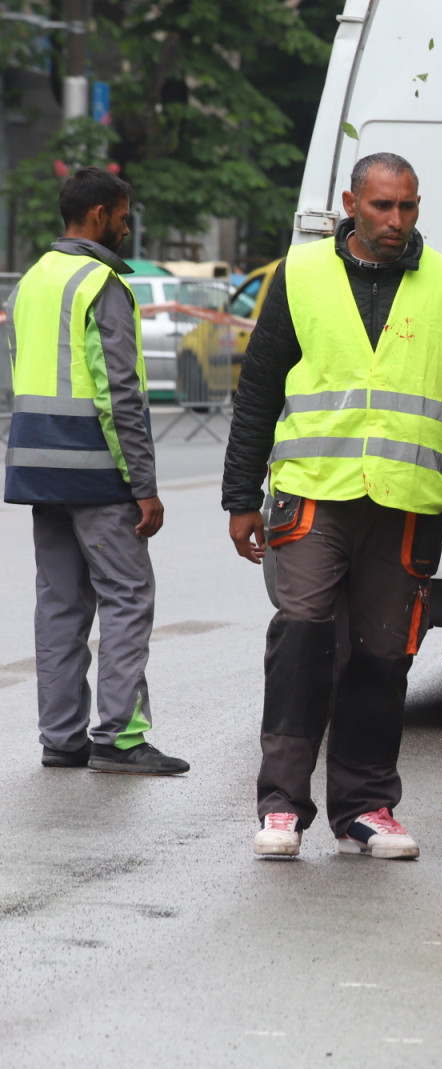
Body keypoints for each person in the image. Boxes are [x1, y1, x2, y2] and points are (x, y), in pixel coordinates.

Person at [223, 152, 442, 860]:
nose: (396, 221)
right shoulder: (303, 274)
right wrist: (238, 496)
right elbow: (259, 388)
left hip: (406, 501)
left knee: (384, 653)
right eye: (382, 207)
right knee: (304, 631)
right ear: (351, 203)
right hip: (313, 493)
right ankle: (283, 806)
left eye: (408, 207)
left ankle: (367, 806)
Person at [5, 167, 187, 775]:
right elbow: (118, 393)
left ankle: (61, 738)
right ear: (100, 214)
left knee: (59, 603)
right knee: (128, 596)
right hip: (94, 469)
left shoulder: (32, 279)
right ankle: (120, 737)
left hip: (38, 465)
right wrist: (145, 486)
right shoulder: (100, 283)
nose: (128, 225)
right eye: (123, 214)